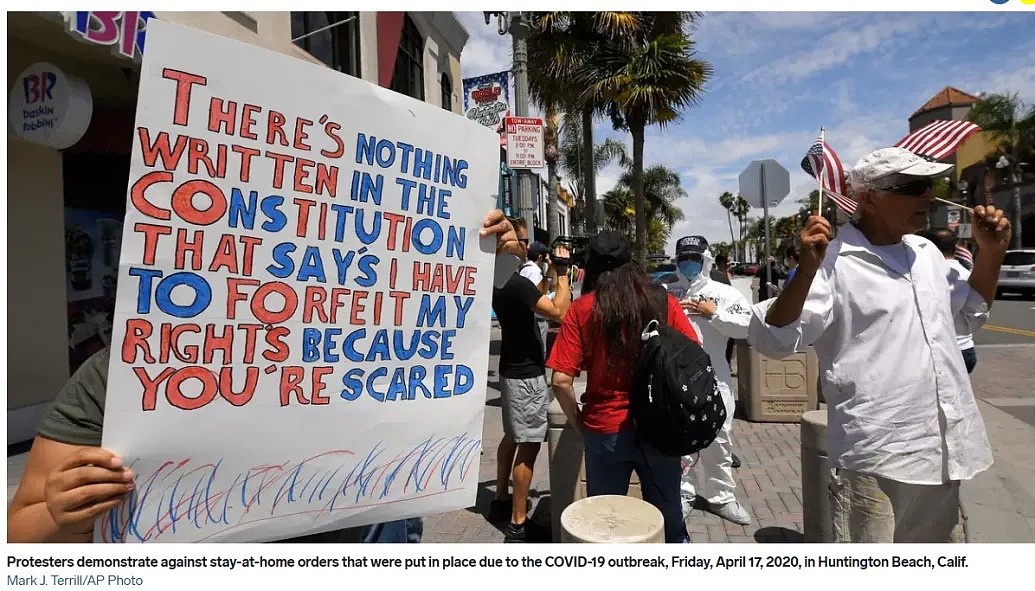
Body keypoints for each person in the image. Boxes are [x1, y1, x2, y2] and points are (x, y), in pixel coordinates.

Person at [6, 209, 525, 544]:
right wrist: (61, 510)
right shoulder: (116, 375)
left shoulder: (359, 345)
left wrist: (486, 260)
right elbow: (21, 532)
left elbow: (437, 309)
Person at [748, 147, 1011, 543]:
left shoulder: (926, 254)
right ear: (868, 197)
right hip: (877, 453)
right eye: (914, 187)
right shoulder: (833, 262)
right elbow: (775, 338)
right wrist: (805, 270)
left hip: (943, 445)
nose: (929, 196)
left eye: (931, 185)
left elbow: (970, 312)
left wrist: (992, 252)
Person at [547, 231, 700, 544]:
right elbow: (692, 352)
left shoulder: (582, 308)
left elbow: (561, 381)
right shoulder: (661, 300)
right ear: (631, 263)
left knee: (608, 530)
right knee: (669, 524)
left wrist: (579, 423)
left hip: (605, 431)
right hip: (659, 428)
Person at [664, 236, 754, 525]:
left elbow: (747, 326)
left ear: (705, 260)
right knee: (681, 440)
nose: (688, 264)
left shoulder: (723, 292)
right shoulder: (666, 291)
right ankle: (684, 492)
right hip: (677, 380)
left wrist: (713, 313)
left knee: (720, 438)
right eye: (683, 259)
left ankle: (722, 496)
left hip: (716, 379)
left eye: (694, 258)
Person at [490, 228, 572, 543]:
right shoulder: (516, 283)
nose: (526, 245)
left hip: (511, 370)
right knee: (529, 446)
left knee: (512, 436)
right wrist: (563, 275)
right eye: (520, 240)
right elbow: (559, 313)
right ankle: (518, 524)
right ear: (504, 246)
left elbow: (533, 295)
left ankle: (500, 498)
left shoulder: (500, 281)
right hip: (526, 377)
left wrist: (550, 276)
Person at [918, 228, 978, 373]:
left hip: (939, 349)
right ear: (955, 246)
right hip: (965, 347)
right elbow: (978, 312)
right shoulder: (968, 275)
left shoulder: (924, 274)